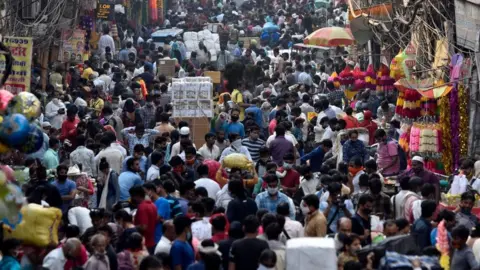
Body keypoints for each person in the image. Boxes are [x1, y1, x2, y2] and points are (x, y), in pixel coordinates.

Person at [130, 185, 158, 254]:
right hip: (151, 241)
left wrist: (131, 227)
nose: (131, 198)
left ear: (137, 195)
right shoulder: (152, 205)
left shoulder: (142, 207)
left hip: (145, 243)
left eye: (132, 196)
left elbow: (143, 226)